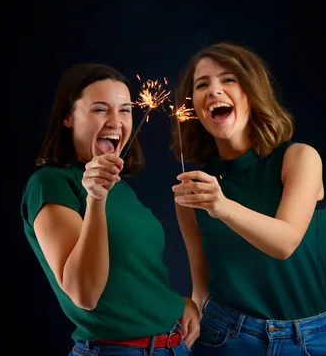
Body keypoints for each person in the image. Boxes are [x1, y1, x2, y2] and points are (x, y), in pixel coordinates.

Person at [170, 42, 326, 355]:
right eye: (202, 84)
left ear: (252, 91)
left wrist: (222, 208)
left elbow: (285, 242)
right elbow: (201, 282)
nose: (214, 90)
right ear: (192, 106)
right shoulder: (195, 190)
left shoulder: (299, 158)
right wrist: (192, 309)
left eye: (228, 79)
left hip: (311, 338)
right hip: (225, 334)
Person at [20, 63, 200, 356]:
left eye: (126, 110)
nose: (116, 122)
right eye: (100, 109)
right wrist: (95, 199)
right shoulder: (51, 183)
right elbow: (85, 295)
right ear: (68, 117)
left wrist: (178, 303)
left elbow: (131, 276)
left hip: (173, 346)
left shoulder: (121, 188)